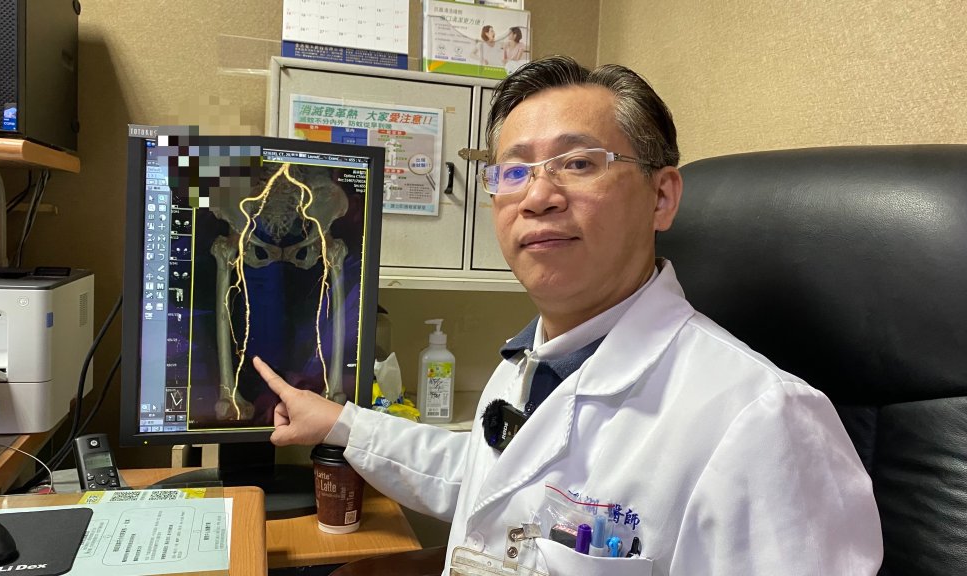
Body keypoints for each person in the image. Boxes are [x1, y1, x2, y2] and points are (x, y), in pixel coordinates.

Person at [253, 55, 883, 575]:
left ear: (662, 196)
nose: (537, 196)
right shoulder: (531, 361)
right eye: (513, 171)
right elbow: (488, 480)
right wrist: (341, 423)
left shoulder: (765, 421)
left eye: (578, 163)